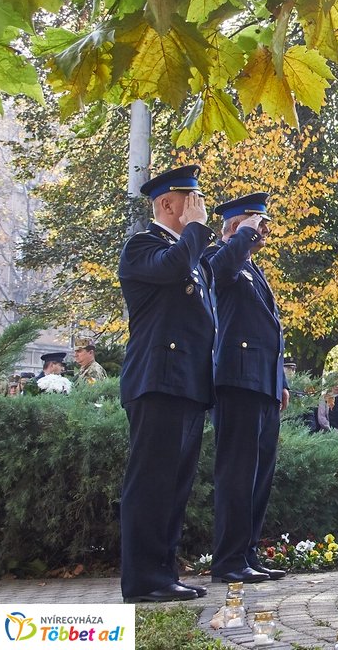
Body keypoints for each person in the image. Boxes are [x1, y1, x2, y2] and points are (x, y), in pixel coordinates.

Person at [116, 165, 214, 603]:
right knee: (151, 482)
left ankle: (163, 573)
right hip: (157, 381)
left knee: (174, 485)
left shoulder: (187, 252)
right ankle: (142, 580)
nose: (199, 209)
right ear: (167, 204)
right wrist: (196, 231)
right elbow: (173, 269)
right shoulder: (144, 245)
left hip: (187, 383)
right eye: (190, 201)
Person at [205, 191, 290, 585]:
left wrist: (282, 380)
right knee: (237, 474)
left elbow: (269, 329)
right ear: (237, 227)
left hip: (262, 383)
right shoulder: (219, 258)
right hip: (237, 381)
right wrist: (241, 237)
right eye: (259, 224)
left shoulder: (253, 269)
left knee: (259, 476)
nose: (265, 232)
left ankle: (247, 553)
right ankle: (227, 560)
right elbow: (217, 274)